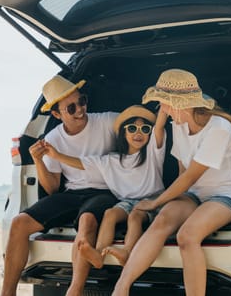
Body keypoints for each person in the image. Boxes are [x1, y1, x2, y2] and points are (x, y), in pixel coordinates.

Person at [111, 69, 231, 296]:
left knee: (187, 236)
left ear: (178, 104)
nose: (162, 110)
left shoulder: (219, 129)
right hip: (196, 192)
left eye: (163, 104)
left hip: (227, 194)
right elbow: (182, 171)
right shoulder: (178, 125)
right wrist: (168, 204)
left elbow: (189, 177)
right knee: (161, 222)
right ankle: (121, 288)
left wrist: (154, 203)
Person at [1, 75, 119, 296]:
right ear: (56, 114)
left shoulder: (105, 121)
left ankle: (75, 290)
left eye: (82, 101)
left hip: (106, 191)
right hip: (72, 193)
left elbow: (137, 120)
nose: (80, 110)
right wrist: (37, 161)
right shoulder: (53, 138)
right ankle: (7, 293)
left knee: (86, 221)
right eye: (71, 108)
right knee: (18, 223)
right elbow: (53, 188)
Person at [43, 105, 166, 295]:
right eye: (132, 128)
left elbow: (159, 128)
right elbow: (82, 163)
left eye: (145, 129)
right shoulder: (111, 160)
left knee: (134, 217)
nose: (138, 133)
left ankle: (126, 251)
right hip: (125, 201)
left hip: (150, 201)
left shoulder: (152, 152)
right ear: (123, 133)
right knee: (109, 214)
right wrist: (56, 155)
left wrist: (164, 109)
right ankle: (98, 255)